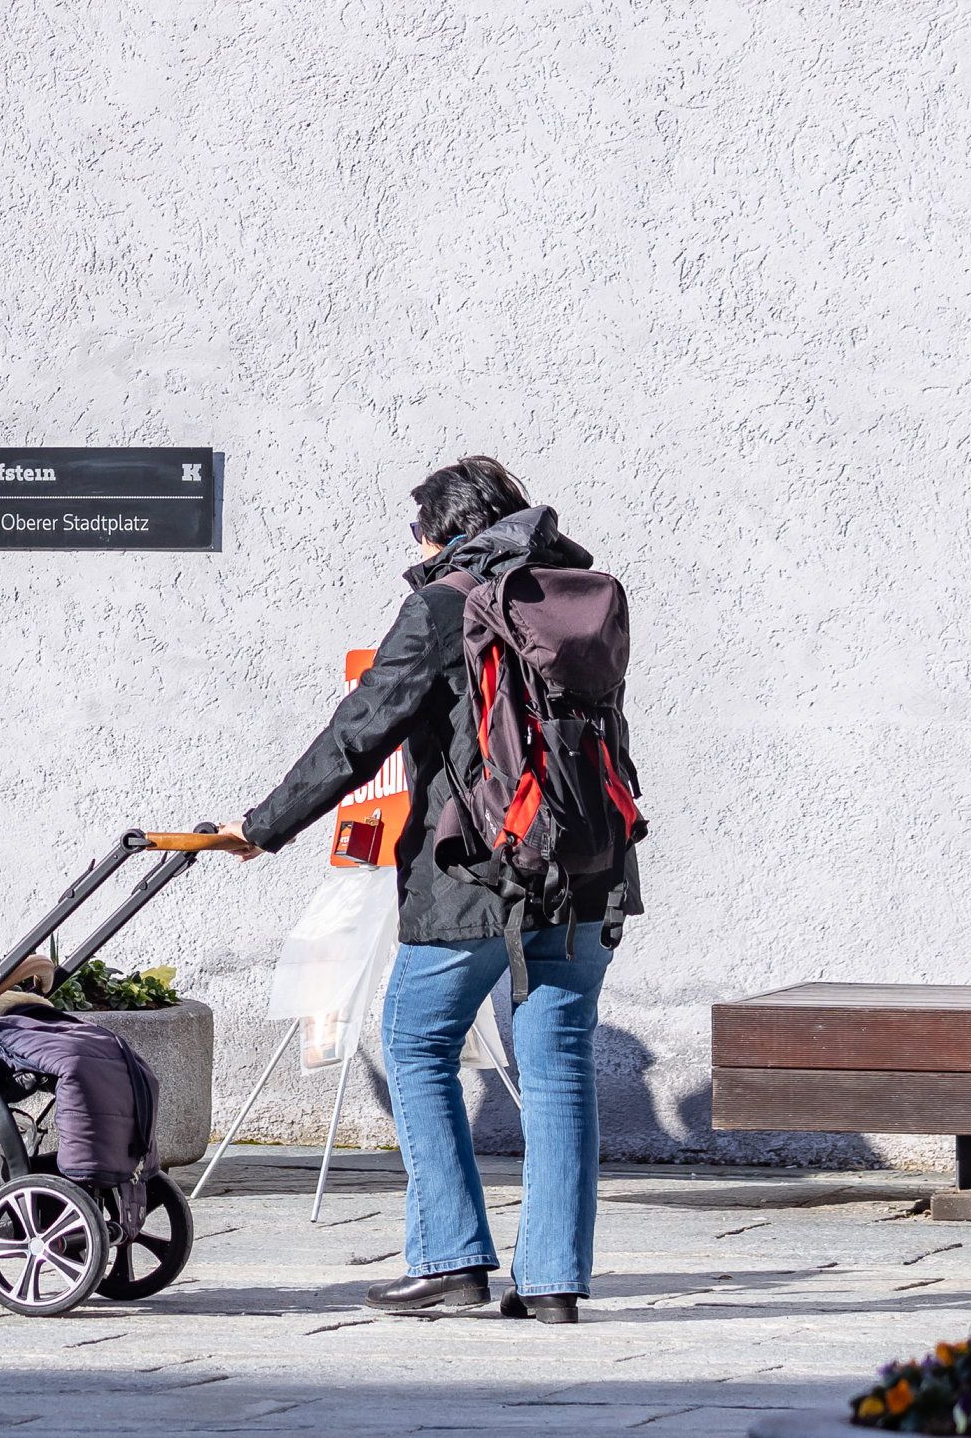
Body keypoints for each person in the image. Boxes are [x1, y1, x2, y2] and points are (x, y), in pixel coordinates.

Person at [234, 455, 621, 1322]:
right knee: (557, 1062)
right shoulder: (575, 596)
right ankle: (554, 1280)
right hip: (587, 862)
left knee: (414, 1041)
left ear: (443, 532)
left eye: (417, 530)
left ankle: (450, 1254)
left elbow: (359, 730)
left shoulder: (445, 603)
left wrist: (261, 827)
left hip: (477, 869)